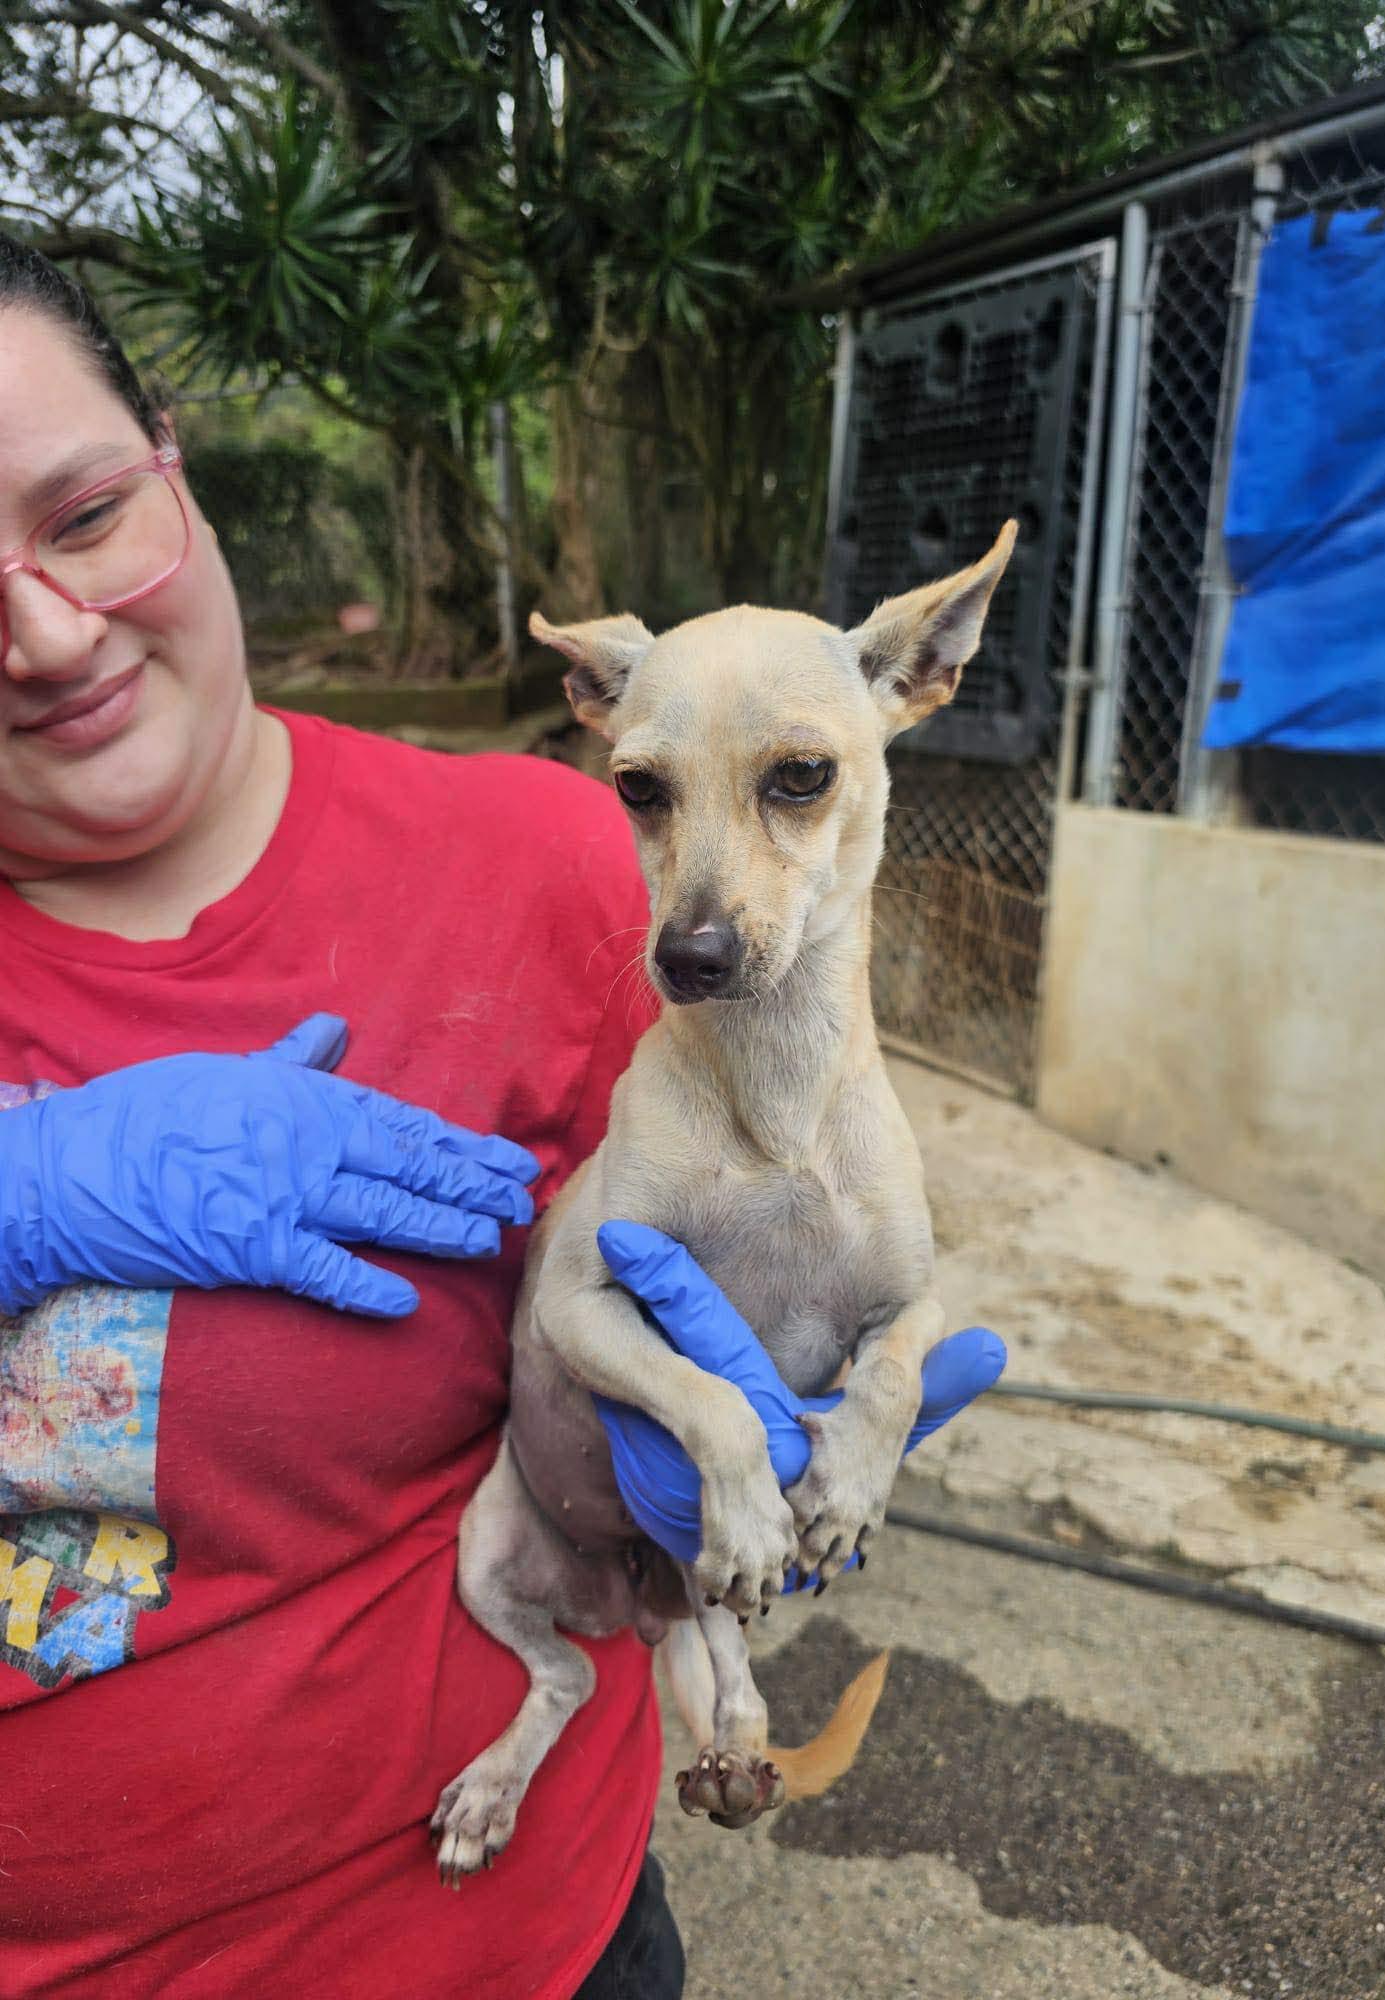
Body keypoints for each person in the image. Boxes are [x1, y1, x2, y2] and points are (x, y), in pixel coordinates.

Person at [0, 236, 1000, 2000]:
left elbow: (735, 1211)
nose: (41, 629)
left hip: (538, 1936)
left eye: (82, 517)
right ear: (603, 724)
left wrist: (781, 1448)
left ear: (173, 452)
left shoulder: (548, 873)